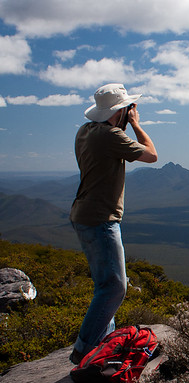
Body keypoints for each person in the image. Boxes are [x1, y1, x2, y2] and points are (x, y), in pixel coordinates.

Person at [69, 83, 158, 364]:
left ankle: (99, 346)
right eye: (126, 108)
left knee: (104, 285)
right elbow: (151, 154)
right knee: (115, 287)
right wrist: (134, 124)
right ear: (119, 111)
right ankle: (83, 352)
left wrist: (122, 121)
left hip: (84, 214)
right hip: (101, 219)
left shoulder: (86, 131)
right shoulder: (110, 135)